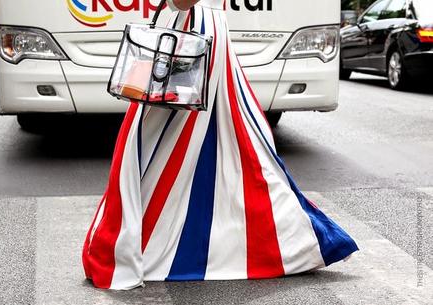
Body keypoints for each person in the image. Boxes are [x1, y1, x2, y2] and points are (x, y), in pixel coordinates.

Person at [82, 0, 358, 290]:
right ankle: (283, 235)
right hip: (201, 32)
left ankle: (155, 241)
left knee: (161, 140)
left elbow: (182, 1)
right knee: (224, 139)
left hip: (192, 32)